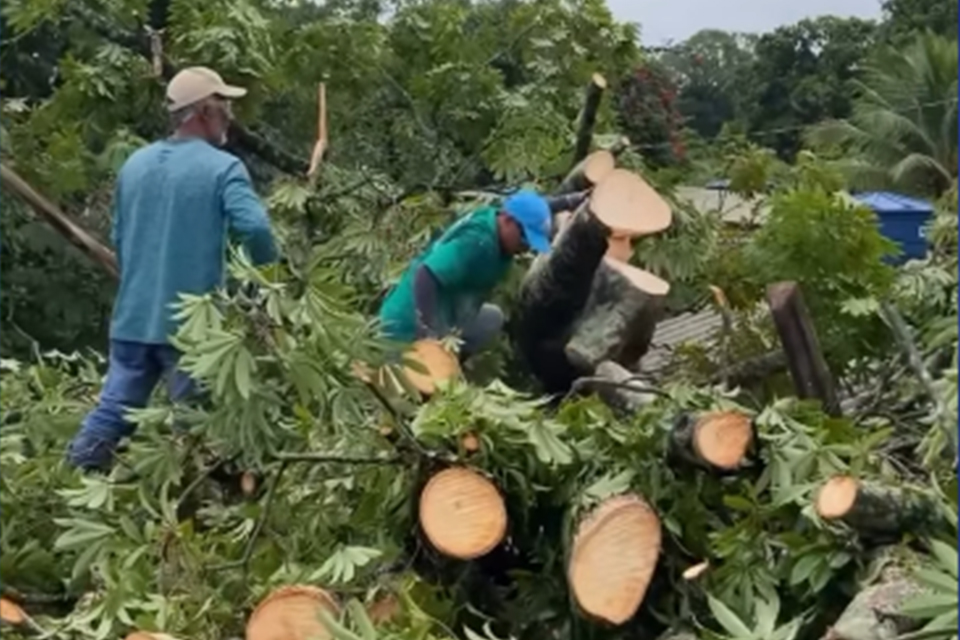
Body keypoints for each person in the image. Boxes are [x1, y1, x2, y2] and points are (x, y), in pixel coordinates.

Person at [67, 67, 278, 472]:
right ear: (204, 111)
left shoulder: (135, 165)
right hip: (191, 328)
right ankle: (195, 502)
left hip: (133, 319)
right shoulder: (223, 168)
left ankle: (75, 479)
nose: (230, 115)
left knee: (113, 411)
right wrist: (269, 279)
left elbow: (120, 236)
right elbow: (255, 229)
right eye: (224, 105)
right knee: (196, 429)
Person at [378, 190, 553, 360]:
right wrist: (427, 333)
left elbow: (531, 208)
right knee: (413, 376)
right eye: (524, 238)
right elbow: (426, 274)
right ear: (508, 219)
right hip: (408, 323)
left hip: (449, 311)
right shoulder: (476, 243)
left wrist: (566, 201)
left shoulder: (493, 218)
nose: (526, 247)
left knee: (491, 319)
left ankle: (453, 359)